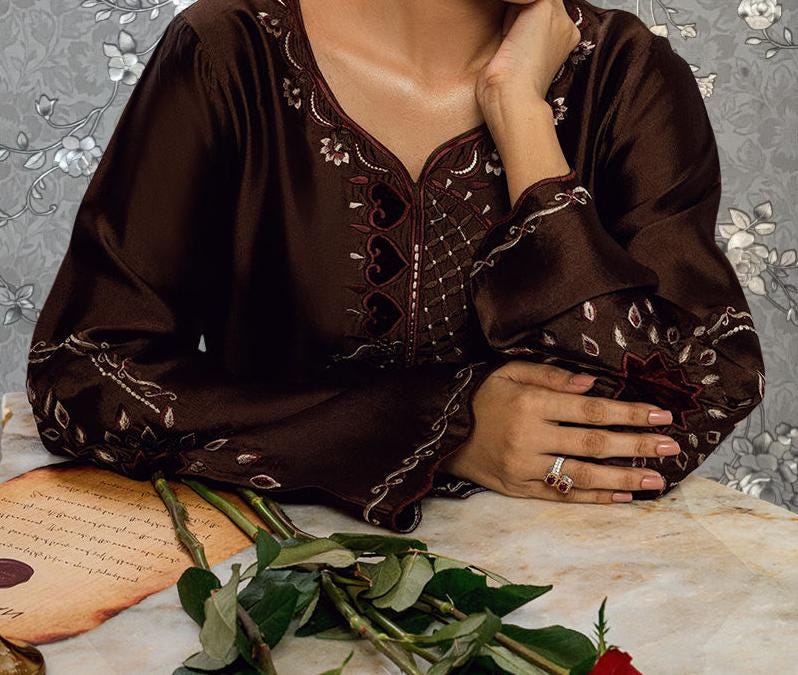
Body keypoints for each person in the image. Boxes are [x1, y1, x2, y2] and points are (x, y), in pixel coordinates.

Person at [26, 0, 766, 533]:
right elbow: (84, 369)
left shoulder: (626, 75)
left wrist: (522, 119)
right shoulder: (228, 54)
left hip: (572, 599)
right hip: (271, 575)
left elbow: (686, 409)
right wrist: (446, 428)